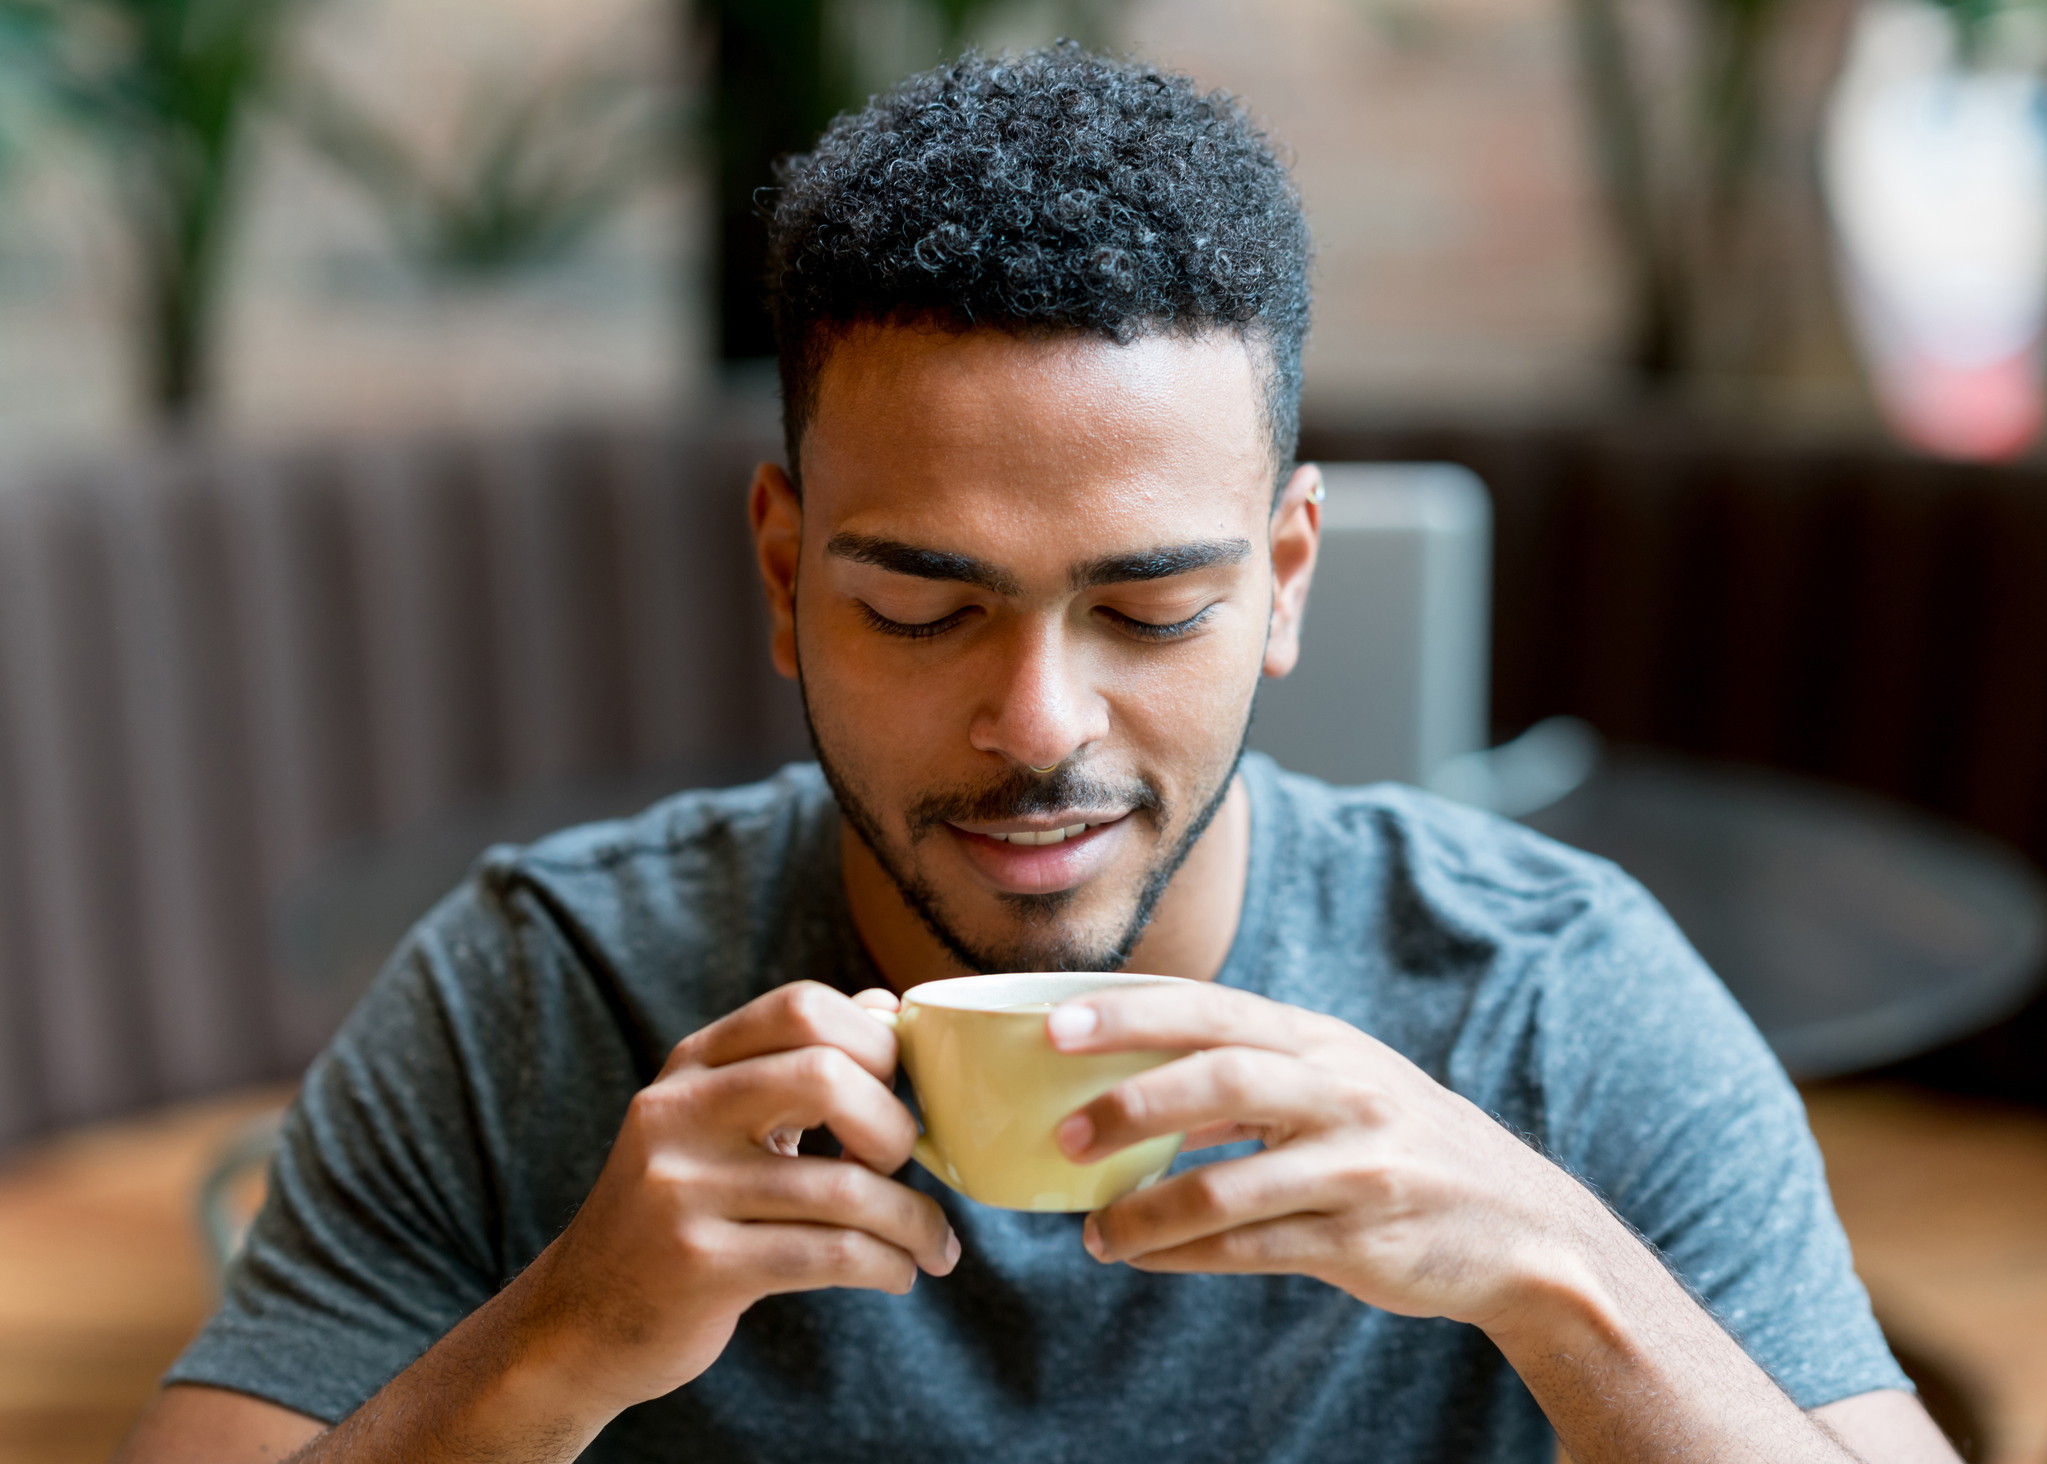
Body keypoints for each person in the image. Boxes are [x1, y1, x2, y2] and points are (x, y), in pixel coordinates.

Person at [119, 44, 1956, 1464]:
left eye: (1151, 610)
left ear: (1288, 578)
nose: (1039, 725)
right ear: (781, 573)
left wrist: (1563, 1281)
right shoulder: (543, 993)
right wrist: (561, 1340)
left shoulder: (1543, 1000)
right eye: (923, 610)